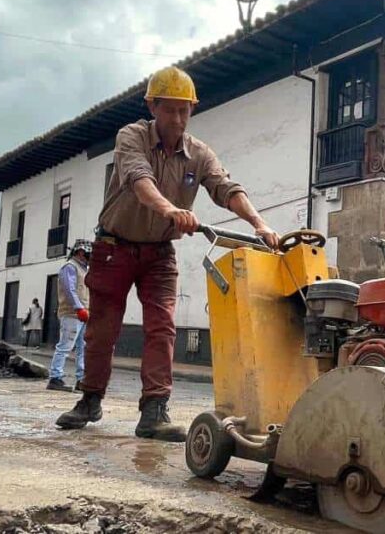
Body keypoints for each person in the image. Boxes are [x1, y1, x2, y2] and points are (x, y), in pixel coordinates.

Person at [56, 66, 279, 441]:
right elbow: (140, 179)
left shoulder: (199, 154)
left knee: (162, 327)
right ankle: (90, 398)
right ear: (152, 106)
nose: (177, 119)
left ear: (192, 110)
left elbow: (226, 188)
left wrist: (260, 224)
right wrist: (169, 210)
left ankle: (155, 411)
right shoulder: (131, 137)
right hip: (113, 248)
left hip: (159, 254)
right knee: (102, 329)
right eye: (169, 110)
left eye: (184, 111)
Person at [47, 240, 92, 392]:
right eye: (88, 253)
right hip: (72, 313)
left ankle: (81, 380)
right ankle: (55, 377)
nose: (90, 256)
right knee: (65, 346)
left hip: (84, 313)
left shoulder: (85, 269)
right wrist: (79, 308)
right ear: (80, 252)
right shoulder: (70, 267)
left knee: (83, 349)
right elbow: (69, 289)